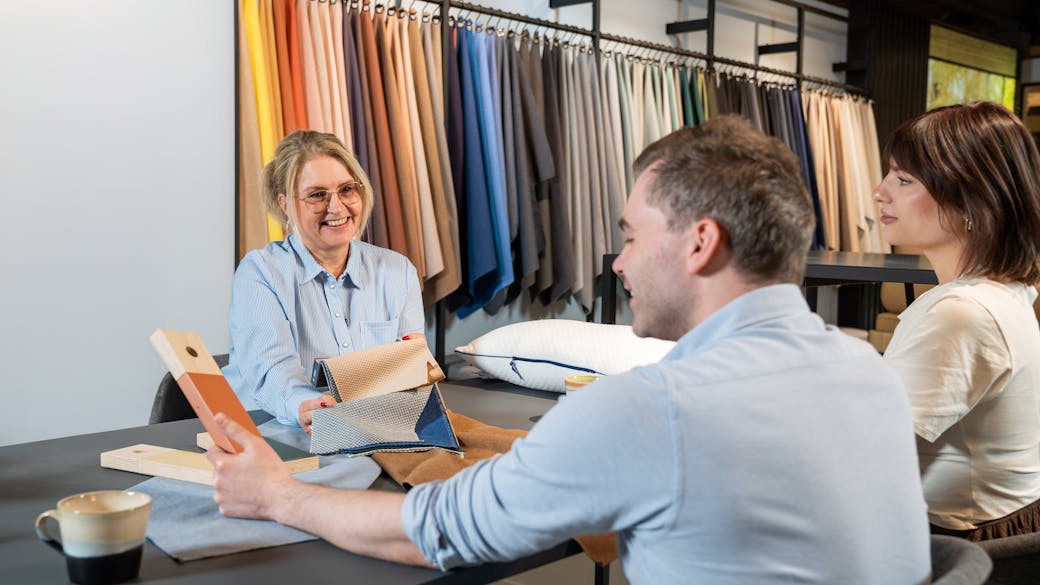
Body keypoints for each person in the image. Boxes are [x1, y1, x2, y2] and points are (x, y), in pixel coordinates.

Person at [207, 116, 930, 584]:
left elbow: (433, 530)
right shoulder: (869, 373)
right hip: (330, 430)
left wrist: (276, 495)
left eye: (631, 235)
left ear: (701, 244)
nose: (617, 262)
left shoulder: (651, 408)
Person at [874, 101, 1040, 540]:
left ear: (971, 198)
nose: (879, 192)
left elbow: (867, 453)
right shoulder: (1003, 291)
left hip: (962, 546)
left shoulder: (961, 312)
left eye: (903, 180)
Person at [222, 130, 425, 432]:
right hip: (271, 434)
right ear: (285, 205)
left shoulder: (398, 272)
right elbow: (273, 369)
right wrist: (306, 406)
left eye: (347, 189)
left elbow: (409, 375)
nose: (337, 207)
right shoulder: (260, 273)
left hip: (364, 433)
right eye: (317, 195)